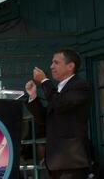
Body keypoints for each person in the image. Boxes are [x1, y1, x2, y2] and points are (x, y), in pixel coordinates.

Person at [25, 48, 92, 179]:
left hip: (72, 162)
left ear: (70, 66)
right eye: (52, 63)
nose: (51, 66)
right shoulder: (57, 91)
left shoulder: (81, 85)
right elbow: (44, 119)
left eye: (56, 63)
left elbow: (61, 104)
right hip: (55, 163)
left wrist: (44, 81)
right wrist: (33, 96)